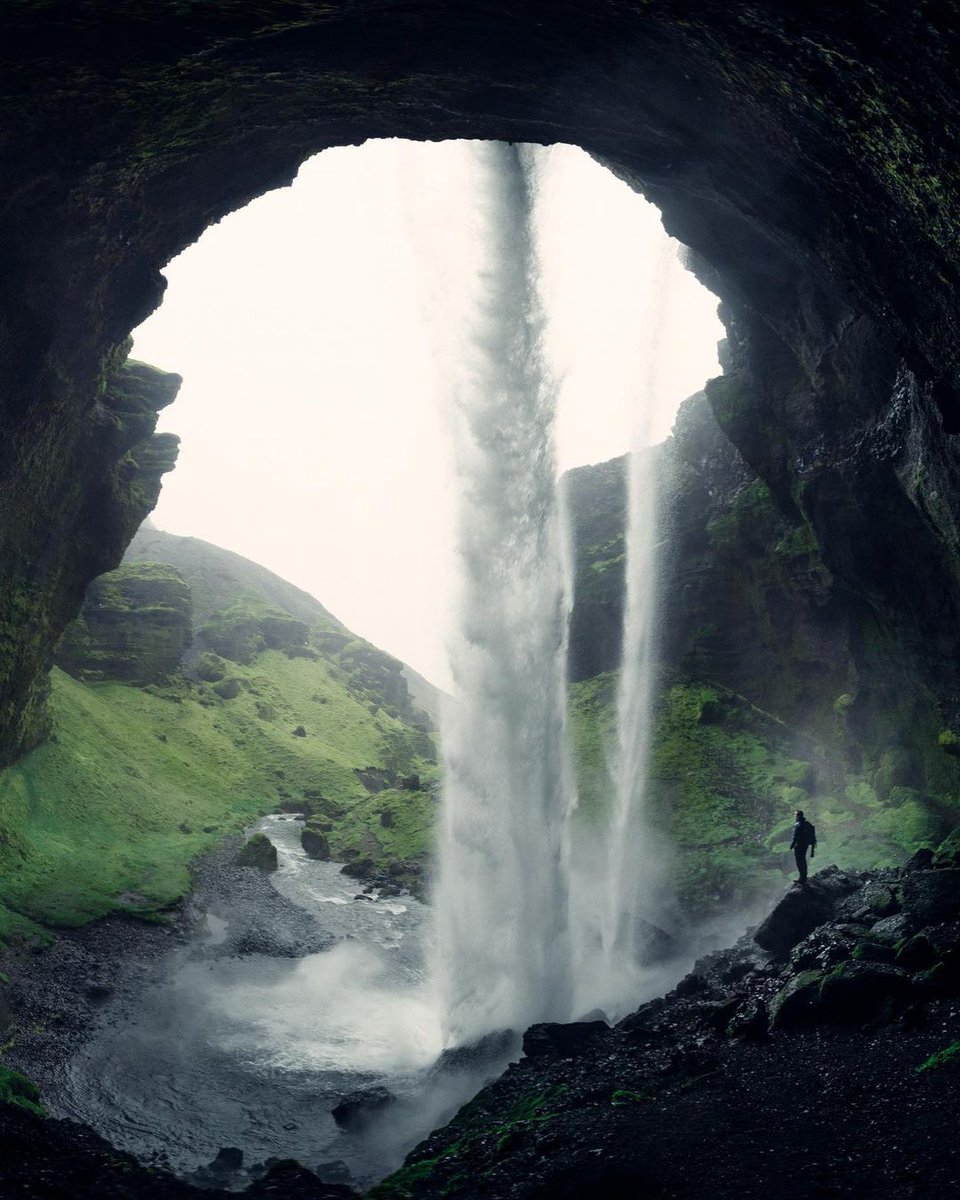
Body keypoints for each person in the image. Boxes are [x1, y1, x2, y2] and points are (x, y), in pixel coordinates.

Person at [789, 809, 817, 884]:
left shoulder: (798, 824)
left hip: (798, 845)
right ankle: (803, 876)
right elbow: (813, 835)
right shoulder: (808, 824)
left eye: (795, 815)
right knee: (803, 860)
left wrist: (791, 845)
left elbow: (795, 836)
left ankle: (802, 878)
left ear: (798, 816)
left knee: (799, 861)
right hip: (805, 845)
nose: (795, 816)